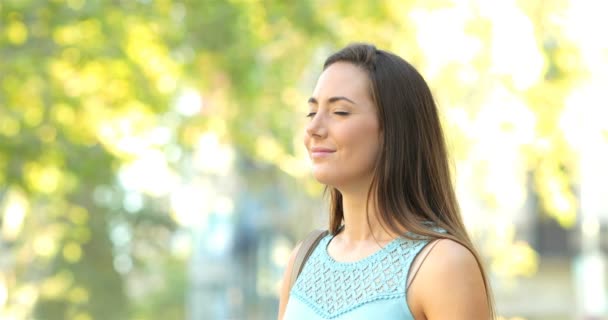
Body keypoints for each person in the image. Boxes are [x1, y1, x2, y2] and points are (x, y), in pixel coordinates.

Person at [277, 43, 494, 320]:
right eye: (312, 112)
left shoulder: (443, 264)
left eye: (340, 112)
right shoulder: (302, 261)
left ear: (394, 130)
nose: (313, 128)